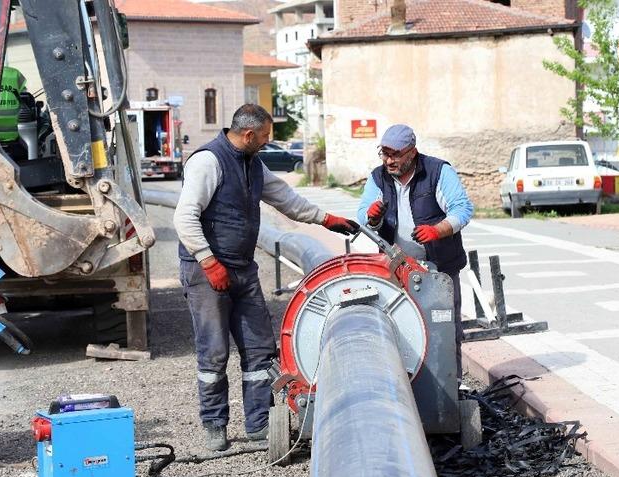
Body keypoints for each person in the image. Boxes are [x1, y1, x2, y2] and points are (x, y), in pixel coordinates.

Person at [174, 104, 359, 451]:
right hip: (207, 271)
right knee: (214, 353)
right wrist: (208, 261)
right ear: (248, 135)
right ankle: (215, 426)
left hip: (242, 268)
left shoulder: (252, 164)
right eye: (263, 138)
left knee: (260, 349)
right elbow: (184, 219)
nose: (265, 143)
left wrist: (325, 218)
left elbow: (286, 199)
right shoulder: (208, 162)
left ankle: (258, 424)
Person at [357, 124, 473, 379]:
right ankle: (408, 384)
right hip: (397, 267)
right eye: (384, 154)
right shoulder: (378, 178)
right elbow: (363, 216)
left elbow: (462, 209)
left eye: (395, 154)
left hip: (438, 267)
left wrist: (438, 230)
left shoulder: (438, 171)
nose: (389, 160)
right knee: (400, 325)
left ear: (412, 152)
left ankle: (451, 385)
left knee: (444, 326)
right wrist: (372, 217)